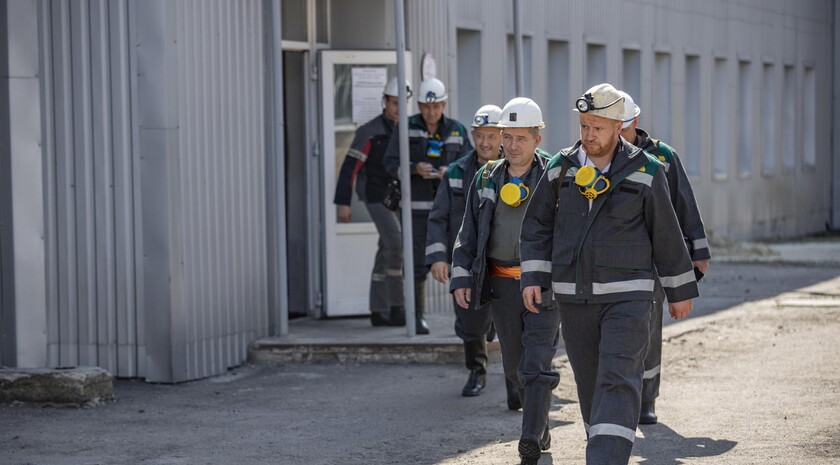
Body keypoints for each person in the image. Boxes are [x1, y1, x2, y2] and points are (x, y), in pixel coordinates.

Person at [520, 83, 699, 465]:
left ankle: (603, 459)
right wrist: (534, 277)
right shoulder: (561, 168)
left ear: (619, 126)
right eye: (584, 126)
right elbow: (536, 226)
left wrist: (679, 289)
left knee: (618, 379)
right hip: (574, 297)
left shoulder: (647, 170)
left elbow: (665, 232)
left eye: (597, 127)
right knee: (589, 385)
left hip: (630, 298)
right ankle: (603, 444)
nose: (588, 135)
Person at [450, 98, 559, 465]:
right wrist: (462, 276)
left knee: (537, 362)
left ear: (537, 138)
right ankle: (540, 426)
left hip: (544, 285)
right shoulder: (486, 177)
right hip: (501, 285)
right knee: (515, 367)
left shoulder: (556, 177)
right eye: (506, 137)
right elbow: (469, 232)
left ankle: (528, 439)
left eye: (521, 138)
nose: (512, 145)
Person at [617, 90, 712, 424]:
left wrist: (698, 252)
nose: (618, 137)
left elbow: (684, 202)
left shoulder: (663, 156)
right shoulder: (595, 157)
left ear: (635, 124)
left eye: (623, 129)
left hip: (653, 258)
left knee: (650, 327)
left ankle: (647, 398)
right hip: (614, 258)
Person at [426, 104, 513, 400]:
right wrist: (438, 257)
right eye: (480, 137)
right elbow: (438, 216)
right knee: (469, 320)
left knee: (510, 321)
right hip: (468, 260)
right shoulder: (455, 172)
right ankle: (477, 370)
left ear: (502, 136)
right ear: (472, 136)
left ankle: (517, 380)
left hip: (503, 258)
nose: (486, 144)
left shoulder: (516, 169)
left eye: (492, 136)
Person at [384, 77, 472, 334]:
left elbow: (471, 165)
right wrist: (413, 169)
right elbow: (390, 164)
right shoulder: (406, 127)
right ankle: (417, 317)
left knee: (460, 261)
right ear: (419, 105)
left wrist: (451, 170)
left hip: (452, 211)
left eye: (436, 107)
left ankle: (465, 319)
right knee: (416, 265)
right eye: (425, 107)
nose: (430, 112)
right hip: (417, 210)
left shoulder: (457, 130)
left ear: (444, 104)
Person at [333, 77, 411, 327]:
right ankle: (398, 307)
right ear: (384, 102)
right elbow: (349, 168)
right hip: (375, 196)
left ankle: (378, 310)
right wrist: (343, 203)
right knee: (397, 243)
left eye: (403, 103)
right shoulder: (370, 131)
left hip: (397, 196)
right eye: (394, 102)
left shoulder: (407, 129)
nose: (398, 108)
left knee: (386, 249)